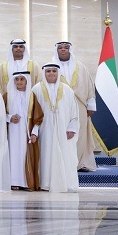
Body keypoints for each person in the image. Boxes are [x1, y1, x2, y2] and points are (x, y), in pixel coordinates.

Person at [31, 63, 80, 192]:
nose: (51, 73)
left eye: (54, 71)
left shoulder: (67, 90)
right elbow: (33, 112)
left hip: (63, 129)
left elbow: (74, 111)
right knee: (45, 154)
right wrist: (35, 130)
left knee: (65, 154)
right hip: (44, 129)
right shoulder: (36, 89)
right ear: (44, 73)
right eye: (48, 71)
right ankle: (45, 183)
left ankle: (67, 183)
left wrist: (72, 128)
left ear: (58, 73)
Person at [53, 41, 97, 171]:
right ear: (57, 50)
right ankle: (62, 164)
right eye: (60, 48)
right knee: (61, 133)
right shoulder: (51, 67)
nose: (63, 50)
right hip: (59, 106)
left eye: (66, 48)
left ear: (70, 50)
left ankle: (80, 163)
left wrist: (91, 106)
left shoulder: (81, 67)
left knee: (80, 134)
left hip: (80, 106)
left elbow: (89, 86)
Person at [4, 71, 42, 191]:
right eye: (17, 79)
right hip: (12, 133)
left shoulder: (32, 96)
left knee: (26, 155)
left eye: (22, 79)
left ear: (26, 81)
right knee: (12, 155)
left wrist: (34, 133)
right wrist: (9, 118)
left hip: (26, 134)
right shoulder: (7, 95)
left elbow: (38, 117)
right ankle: (12, 182)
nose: (19, 82)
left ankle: (26, 182)